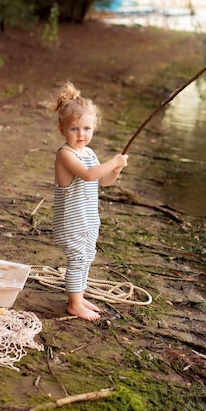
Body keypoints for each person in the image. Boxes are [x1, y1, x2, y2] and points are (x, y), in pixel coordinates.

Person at [52, 81, 128, 321]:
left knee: (87, 256)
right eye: (74, 129)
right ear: (62, 129)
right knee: (77, 258)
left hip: (88, 220)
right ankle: (74, 304)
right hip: (70, 223)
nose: (81, 134)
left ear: (94, 128)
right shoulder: (65, 154)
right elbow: (87, 175)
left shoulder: (89, 153)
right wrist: (113, 161)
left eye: (87, 128)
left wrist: (116, 170)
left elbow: (102, 180)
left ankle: (79, 295)